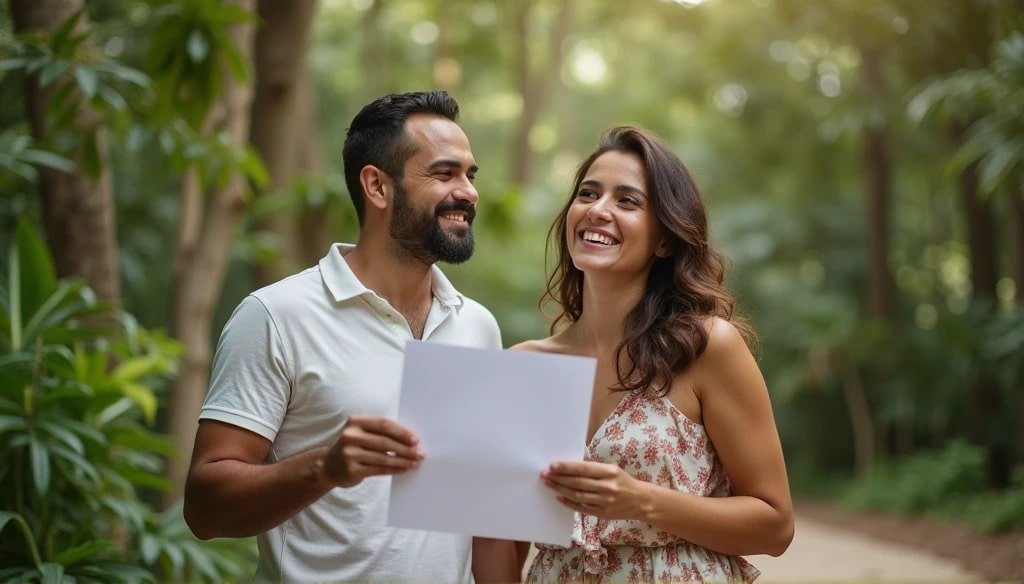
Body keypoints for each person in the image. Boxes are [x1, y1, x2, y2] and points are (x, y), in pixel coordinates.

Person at [183, 90, 502, 583]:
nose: (469, 191)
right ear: (377, 186)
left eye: (469, 175)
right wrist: (325, 468)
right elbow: (204, 510)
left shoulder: (477, 326)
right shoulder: (275, 315)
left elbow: (479, 515)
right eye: (445, 173)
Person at [489, 126, 794, 582]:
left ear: (665, 239)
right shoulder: (524, 365)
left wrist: (640, 500)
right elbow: (501, 536)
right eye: (588, 194)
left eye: (626, 201)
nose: (598, 210)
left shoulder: (706, 347)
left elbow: (775, 526)